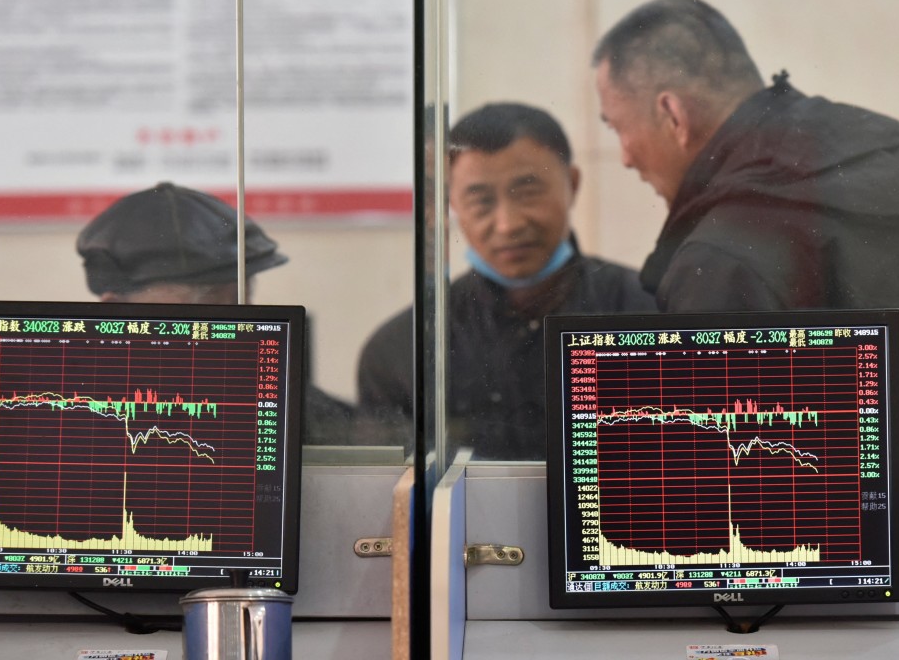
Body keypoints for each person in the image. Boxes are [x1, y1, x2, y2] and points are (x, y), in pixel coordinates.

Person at [592, 0, 899, 457]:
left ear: (672, 115)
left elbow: (725, 475)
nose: (625, 157)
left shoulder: (721, 256)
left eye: (617, 128)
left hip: (831, 504)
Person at [357, 103, 658, 461]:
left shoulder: (649, 313)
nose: (508, 224)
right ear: (452, 204)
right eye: (481, 201)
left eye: (527, 192)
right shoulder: (403, 350)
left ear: (573, 184)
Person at [76, 181, 355, 444]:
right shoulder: (74, 409)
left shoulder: (283, 401)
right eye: (202, 313)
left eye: (240, 305)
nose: (233, 332)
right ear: (115, 311)